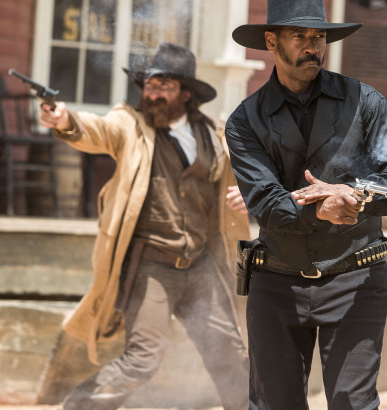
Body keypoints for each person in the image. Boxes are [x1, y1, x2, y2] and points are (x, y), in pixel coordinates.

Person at [225, 0, 387, 410]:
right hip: (276, 283)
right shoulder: (243, 121)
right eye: (301, 36)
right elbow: (268, 204)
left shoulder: (366, 102)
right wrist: (327, 208)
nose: (314, 47)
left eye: (320, 37)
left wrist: (357, 194)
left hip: (356, 279)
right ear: (272, 41)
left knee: (354, 404)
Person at [39, 42, 249, 410]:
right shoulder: (131, 125)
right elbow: (97, 129)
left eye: (163, 86)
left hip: (203, 266)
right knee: (141, 361)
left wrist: (250, 196)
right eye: (149, 85)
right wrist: (64, 120)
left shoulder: (216, 136)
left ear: (185, 93)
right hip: (153, 266)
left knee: (230, 355)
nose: (152, 93)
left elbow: (252, 176)